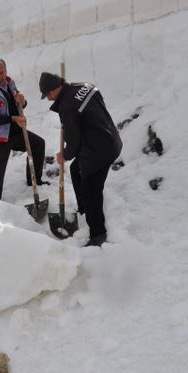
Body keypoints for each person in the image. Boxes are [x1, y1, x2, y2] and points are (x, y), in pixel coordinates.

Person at [39, 72, 122, 247]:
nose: (48, 99)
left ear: (57, 88)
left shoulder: (67, 106)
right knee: (75, 170)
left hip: (98, 151)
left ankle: (98, 234)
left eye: (49, 94)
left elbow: (73, 140)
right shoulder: (85, 86)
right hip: (109, 139)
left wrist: (65, 155)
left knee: (91, 191)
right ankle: (84, 210)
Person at [0, 58, 46, 200]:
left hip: (12, 132)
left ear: (6, 71)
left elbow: (16, 106)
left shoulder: (10, 83)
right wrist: (13, 119)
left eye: (1, 73)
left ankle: (34, 181)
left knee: (38, 145)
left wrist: (22, 101)